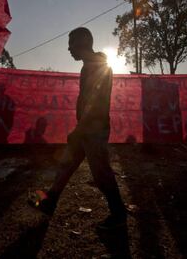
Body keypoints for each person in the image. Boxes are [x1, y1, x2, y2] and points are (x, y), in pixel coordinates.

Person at [29, 27, 127, 230]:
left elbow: (94, 105)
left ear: (82, 43)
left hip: (93, 131)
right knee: (66, 167)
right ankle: (49, 201)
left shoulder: (96, 67)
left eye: (71, 43)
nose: (68, 48)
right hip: (86, 129)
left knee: (102, 174)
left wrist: (78, 130)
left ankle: (118, 215)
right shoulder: (91, 66)